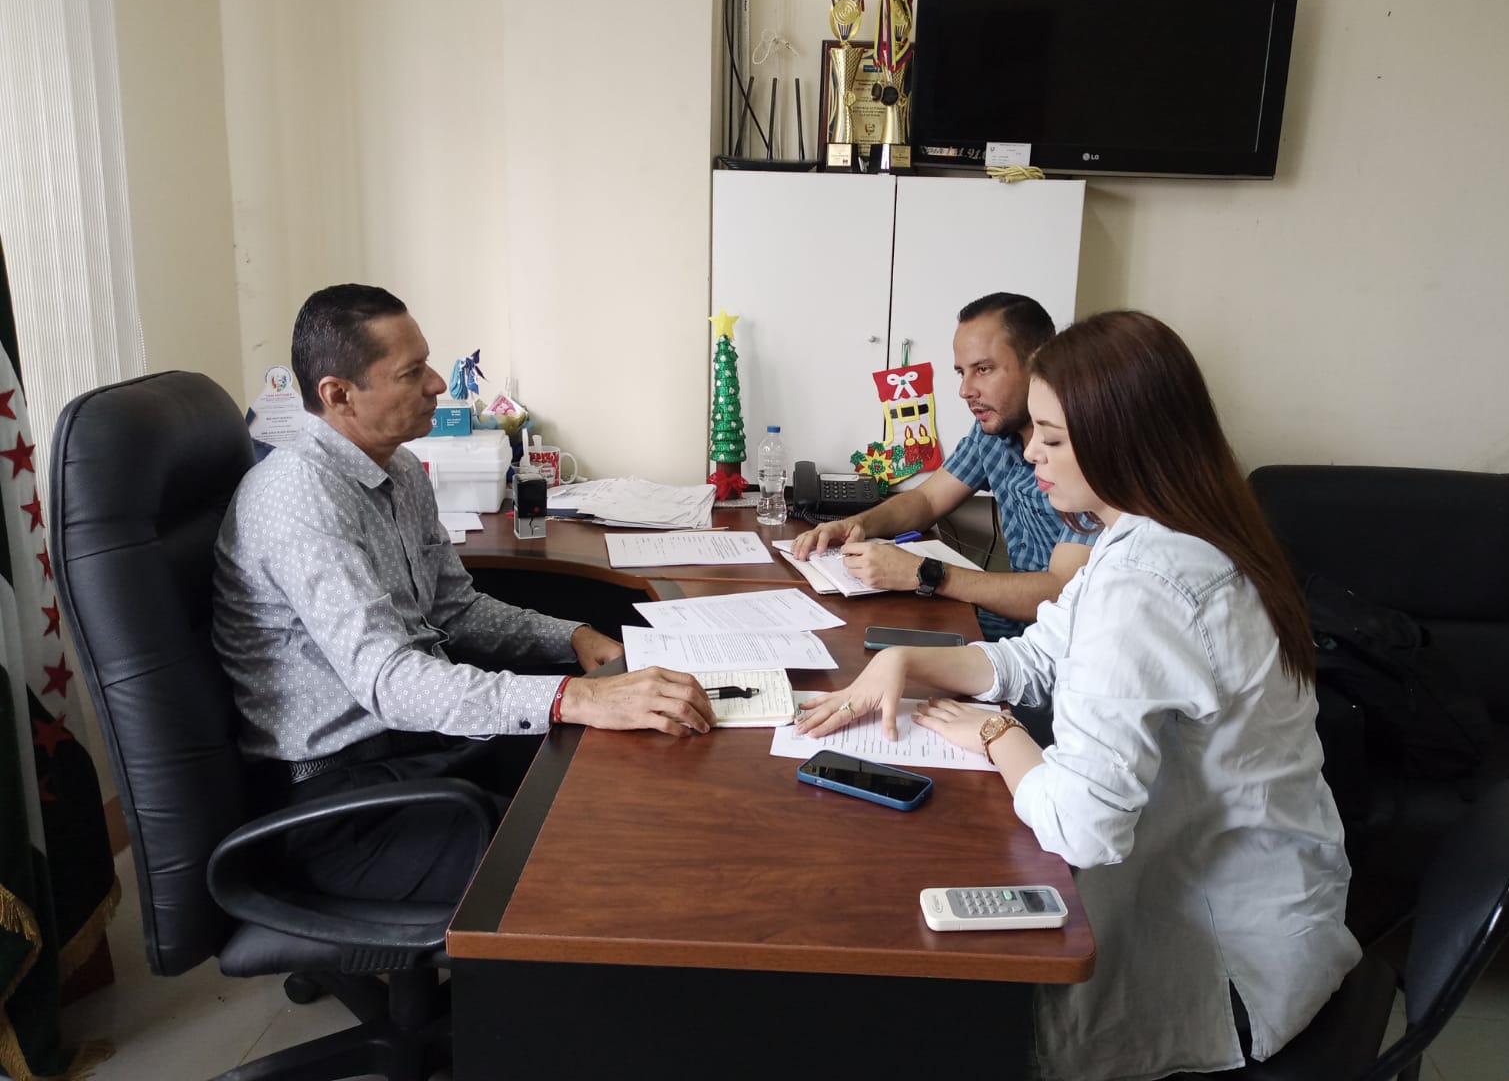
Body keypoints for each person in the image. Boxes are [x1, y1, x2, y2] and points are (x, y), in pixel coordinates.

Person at [798, 310, 1361, 1079]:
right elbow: (1042, 656)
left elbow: (1083, 828)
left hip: (1224, 971)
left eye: (1053, 438)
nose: (1030, 451)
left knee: (909, 997)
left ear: (1123, 440)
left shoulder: (1148, 580)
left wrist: (997, 736)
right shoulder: (1162, 533)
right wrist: (908, 662)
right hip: (1272, 919)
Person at [212, 284, 715, 903]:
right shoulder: (299, 497)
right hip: (338, 806)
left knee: (631, 777)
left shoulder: (398, 470)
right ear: (339, 394)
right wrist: (572, 697)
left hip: (418, 754)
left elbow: (456, 609)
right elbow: (391, 683)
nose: (435, 385)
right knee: (592, 860)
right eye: (411, 372)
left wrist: (573, 638)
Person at [790, 292, 1094, 642]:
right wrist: (855, 525)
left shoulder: (1088, 453)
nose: (965, 390)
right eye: (962, 372)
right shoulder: (993, 431)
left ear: (1038, 363)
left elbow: (1063, 591)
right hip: (1007, 628)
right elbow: (928, 500)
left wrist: (926, 573)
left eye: (983, 369)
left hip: (1057, 644)